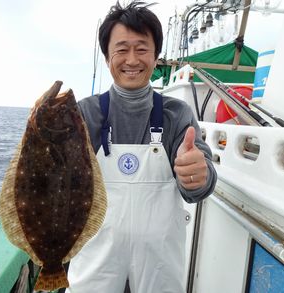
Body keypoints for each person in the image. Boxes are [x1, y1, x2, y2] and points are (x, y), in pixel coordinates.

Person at [66, 1, 217, 292]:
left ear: (156, 55)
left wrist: (198, 175)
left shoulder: (178, 114)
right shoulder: (83, 114)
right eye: (121, 49)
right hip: (95, 258)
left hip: (158, 262)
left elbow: (198, 184)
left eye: (142, 48)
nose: (132, 60)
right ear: (107, 56)